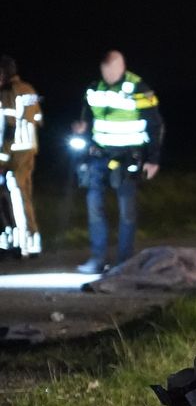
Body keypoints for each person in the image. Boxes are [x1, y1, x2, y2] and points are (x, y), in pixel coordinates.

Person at [73, 50, 164, 274]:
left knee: (127, 210)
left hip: (127, 157)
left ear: (121, 67)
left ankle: (124, 262)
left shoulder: (138, 88)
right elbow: (87, 115)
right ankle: (98, 259)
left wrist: (153, 159)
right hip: (99, 156)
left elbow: (155, 124)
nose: (108, 76)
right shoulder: (95, 88)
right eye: (104, 71)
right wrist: (82, 127)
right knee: (94, 205)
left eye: (111, 71)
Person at [0, 55, 42, 257]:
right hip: (29, 150)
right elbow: (38, 118)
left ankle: (21, 245)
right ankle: (31, 242)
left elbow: (9, 128)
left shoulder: (8, 92)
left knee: (15, 197)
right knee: (24, 197)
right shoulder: (29, 89)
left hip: (14, 152)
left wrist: (2, 158)